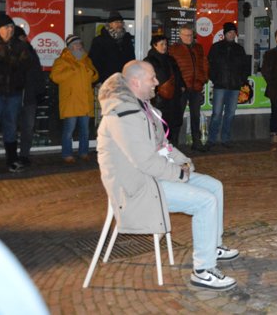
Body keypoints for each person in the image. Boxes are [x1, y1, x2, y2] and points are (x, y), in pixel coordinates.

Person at [97, 60, 238, 290]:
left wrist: (183, 162)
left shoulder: (142, 106)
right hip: (138, 187)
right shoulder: (123, 114)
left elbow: (162, 145)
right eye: (152, 77)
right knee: (205, 202)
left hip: (153, 176)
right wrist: (179, 175)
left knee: (214, 186)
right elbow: (145, 161)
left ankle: (212, 246)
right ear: (135, 82)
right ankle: (203, 270)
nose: (157, 82)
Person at [50, 34, 99, 164]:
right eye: (77, 44)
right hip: (71, 101)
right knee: (68, 131)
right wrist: (72, 71)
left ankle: (84, 152)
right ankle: (67, 154)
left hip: (85, 101)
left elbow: (95, 76)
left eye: (80, 43)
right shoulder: (61, 61)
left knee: (85, 130)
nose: (79, 46)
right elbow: (55, 77)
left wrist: (92, 73)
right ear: (70, 46)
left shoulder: (86, 60)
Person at [207, 22, 250, 149]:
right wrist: (215, 78)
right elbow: (210, 65)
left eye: (233, 32)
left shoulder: (239, 49)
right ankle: (212, 139)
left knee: (230, 114)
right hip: (220, 85)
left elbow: (245, 66)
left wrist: (241, 80)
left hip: (235, 86)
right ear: (224, 33)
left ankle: (225, 138)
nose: (231, 34)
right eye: (229, 32)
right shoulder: (216, 47)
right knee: (216, 114)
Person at [0, 13, 32, 173]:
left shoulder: (19, 46)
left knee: (11, 126)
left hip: (13, 93)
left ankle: (12, 160)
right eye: (6, 27)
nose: (10, 30)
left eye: (11, 27)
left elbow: (26, 67)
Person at [169, 24, 209, 152]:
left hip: (196, 86)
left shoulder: (198, 48)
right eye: (186, 35)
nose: (189, 37)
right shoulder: (174, 49)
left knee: (195, 116)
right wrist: (178, 85)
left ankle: (196, 142)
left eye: (191, 35)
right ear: (180, 35)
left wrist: (203, 79)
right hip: (182, 87)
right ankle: (174, 142)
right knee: (177, 115)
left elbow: (204, 63)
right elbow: (172, 69)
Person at [144, 34, 185, 146]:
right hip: (159, 97)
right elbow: (151, 78)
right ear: (154, 45)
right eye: (161, 44)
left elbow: (178, 74)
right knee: (161, 122)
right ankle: (161, 146)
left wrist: (181, 86)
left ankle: (173, 145)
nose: (164, 46)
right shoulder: (149, 60)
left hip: (174, 96)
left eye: (166, 44)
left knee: (174, 121)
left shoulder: (170, 59)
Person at [14, 26, 44, 167]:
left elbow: (37, 73)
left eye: (24, 37)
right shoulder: (10, 53)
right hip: (13, 97)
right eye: (21, 38)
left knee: (27, 127)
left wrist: (39, 92)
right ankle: (13, 155)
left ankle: (24, 155)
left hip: (29, 97)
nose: (24, 40)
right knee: (12, 127)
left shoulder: (31, 53)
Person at [88, 11, 135, 83]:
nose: (119, 24)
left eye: (121, 22)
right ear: (109, 24)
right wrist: (99, 79)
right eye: (116, 22)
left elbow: (131, 59)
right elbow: (94, 62)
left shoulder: (126, 39)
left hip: (124, 80)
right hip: (106, 80)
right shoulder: (100, 40)